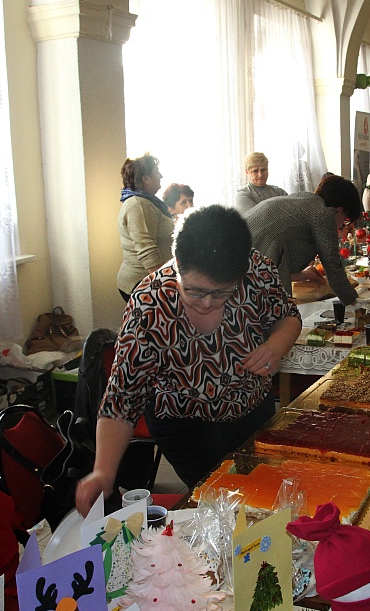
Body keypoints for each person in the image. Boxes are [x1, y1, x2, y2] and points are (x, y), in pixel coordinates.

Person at [75, 206, 301, 511]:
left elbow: (288, 316)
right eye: (195, 291)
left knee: (262, 496)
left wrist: (274, 347)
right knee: (218, 502)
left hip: (250, 408)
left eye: (222, 293)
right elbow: (121, 400)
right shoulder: (149, 305)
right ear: (177, 263)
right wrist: (103, 472)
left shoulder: (257, 272)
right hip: (186, 425)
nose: (207, 303)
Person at [245, 174, 363, 306]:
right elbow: (333, 265)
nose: (341, 226)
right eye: (346, 220)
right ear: (338, 210)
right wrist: (356, 303)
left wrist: (300, 275)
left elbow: (278, 258)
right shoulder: (323, 213)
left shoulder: (304, 199)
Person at [118, 153, 174, 301]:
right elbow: (147, 249)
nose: (161, 176)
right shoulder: (138, 205)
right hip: (141, 282)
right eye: (156, 172)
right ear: (146, 179)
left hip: (149, 280)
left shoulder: (147, 202)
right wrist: (165, 286)